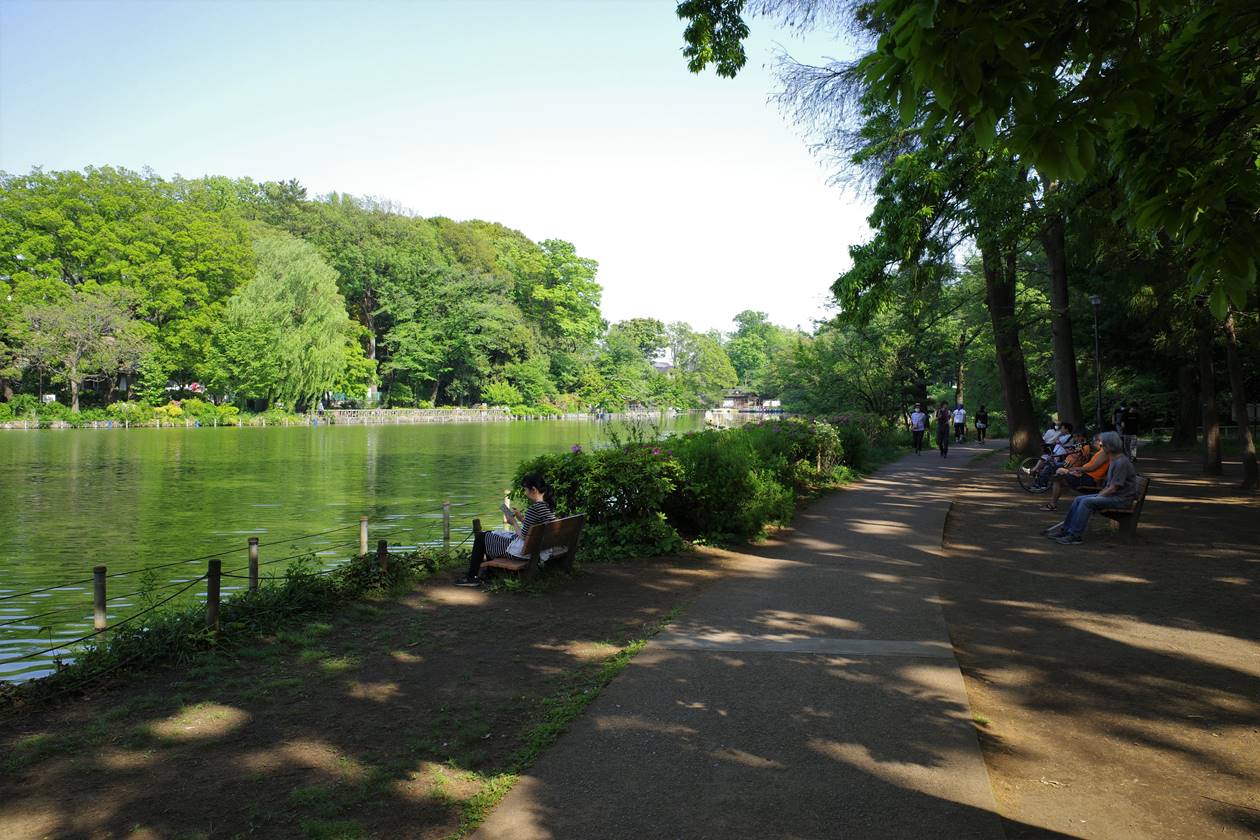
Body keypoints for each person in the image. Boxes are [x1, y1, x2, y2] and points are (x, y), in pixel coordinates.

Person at [455, 472, 556, 586]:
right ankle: (491, 572)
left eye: (525, 490)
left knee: (481, 537)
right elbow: (534, 527)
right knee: (489, 534)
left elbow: (523, 536)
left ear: (533, 489)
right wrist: (521, 519)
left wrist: (513, 522)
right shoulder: (547, 505)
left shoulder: (534, 508)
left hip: (526, 551)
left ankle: (471, 577)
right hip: (540, 548)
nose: (525, 493)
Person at [1043, 432, 1139, 544]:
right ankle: (1066, 530)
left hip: (1121, 499)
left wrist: (1098, 497)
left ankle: (1075, 535)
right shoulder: (1115, 459)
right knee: (1079, 499)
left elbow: (1113, 488)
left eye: (1103, 445)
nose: (1101, 447)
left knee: (1086, 502)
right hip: (1115, 496)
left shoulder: (1121, 462)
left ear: (1110, 446)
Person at [1041, 432, 1110, 511]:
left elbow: (1092, 468)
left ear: (1100, 441)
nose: (1093, 444)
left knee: (1059, 474)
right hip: (1083, 475)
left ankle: (1044, 489)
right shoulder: (1100, 452)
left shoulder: (1104, 453)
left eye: (1095, 441)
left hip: (1088, 479)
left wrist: (1076, 469)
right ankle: (1052, 503)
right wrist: (1078, 471)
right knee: (1058, 477)